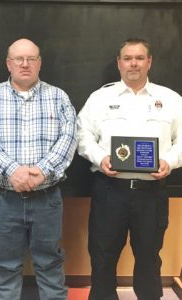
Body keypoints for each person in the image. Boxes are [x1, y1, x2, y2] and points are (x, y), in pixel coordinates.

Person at [77, 38, 182, 300]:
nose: (133, 63)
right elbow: (82, 135)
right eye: (127, 58)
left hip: (151, 192)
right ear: (119, 63)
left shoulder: (170, 99)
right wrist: (100, 157)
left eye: (139, 57)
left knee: (149, 257)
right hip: (111, 190)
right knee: (102, 256)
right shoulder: (100, 98)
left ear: (149, 62)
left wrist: (170, 160)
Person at [0, 38, 77, 300]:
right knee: (5, 266)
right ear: (8, 64)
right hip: (3, 199)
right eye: (19, 59)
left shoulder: (58, 97)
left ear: (40, 63)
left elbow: (69, 138)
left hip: (47, 199)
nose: (25, 64)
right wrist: (13, 171)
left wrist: (42, 170)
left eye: (31, 59)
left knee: (50, 264)